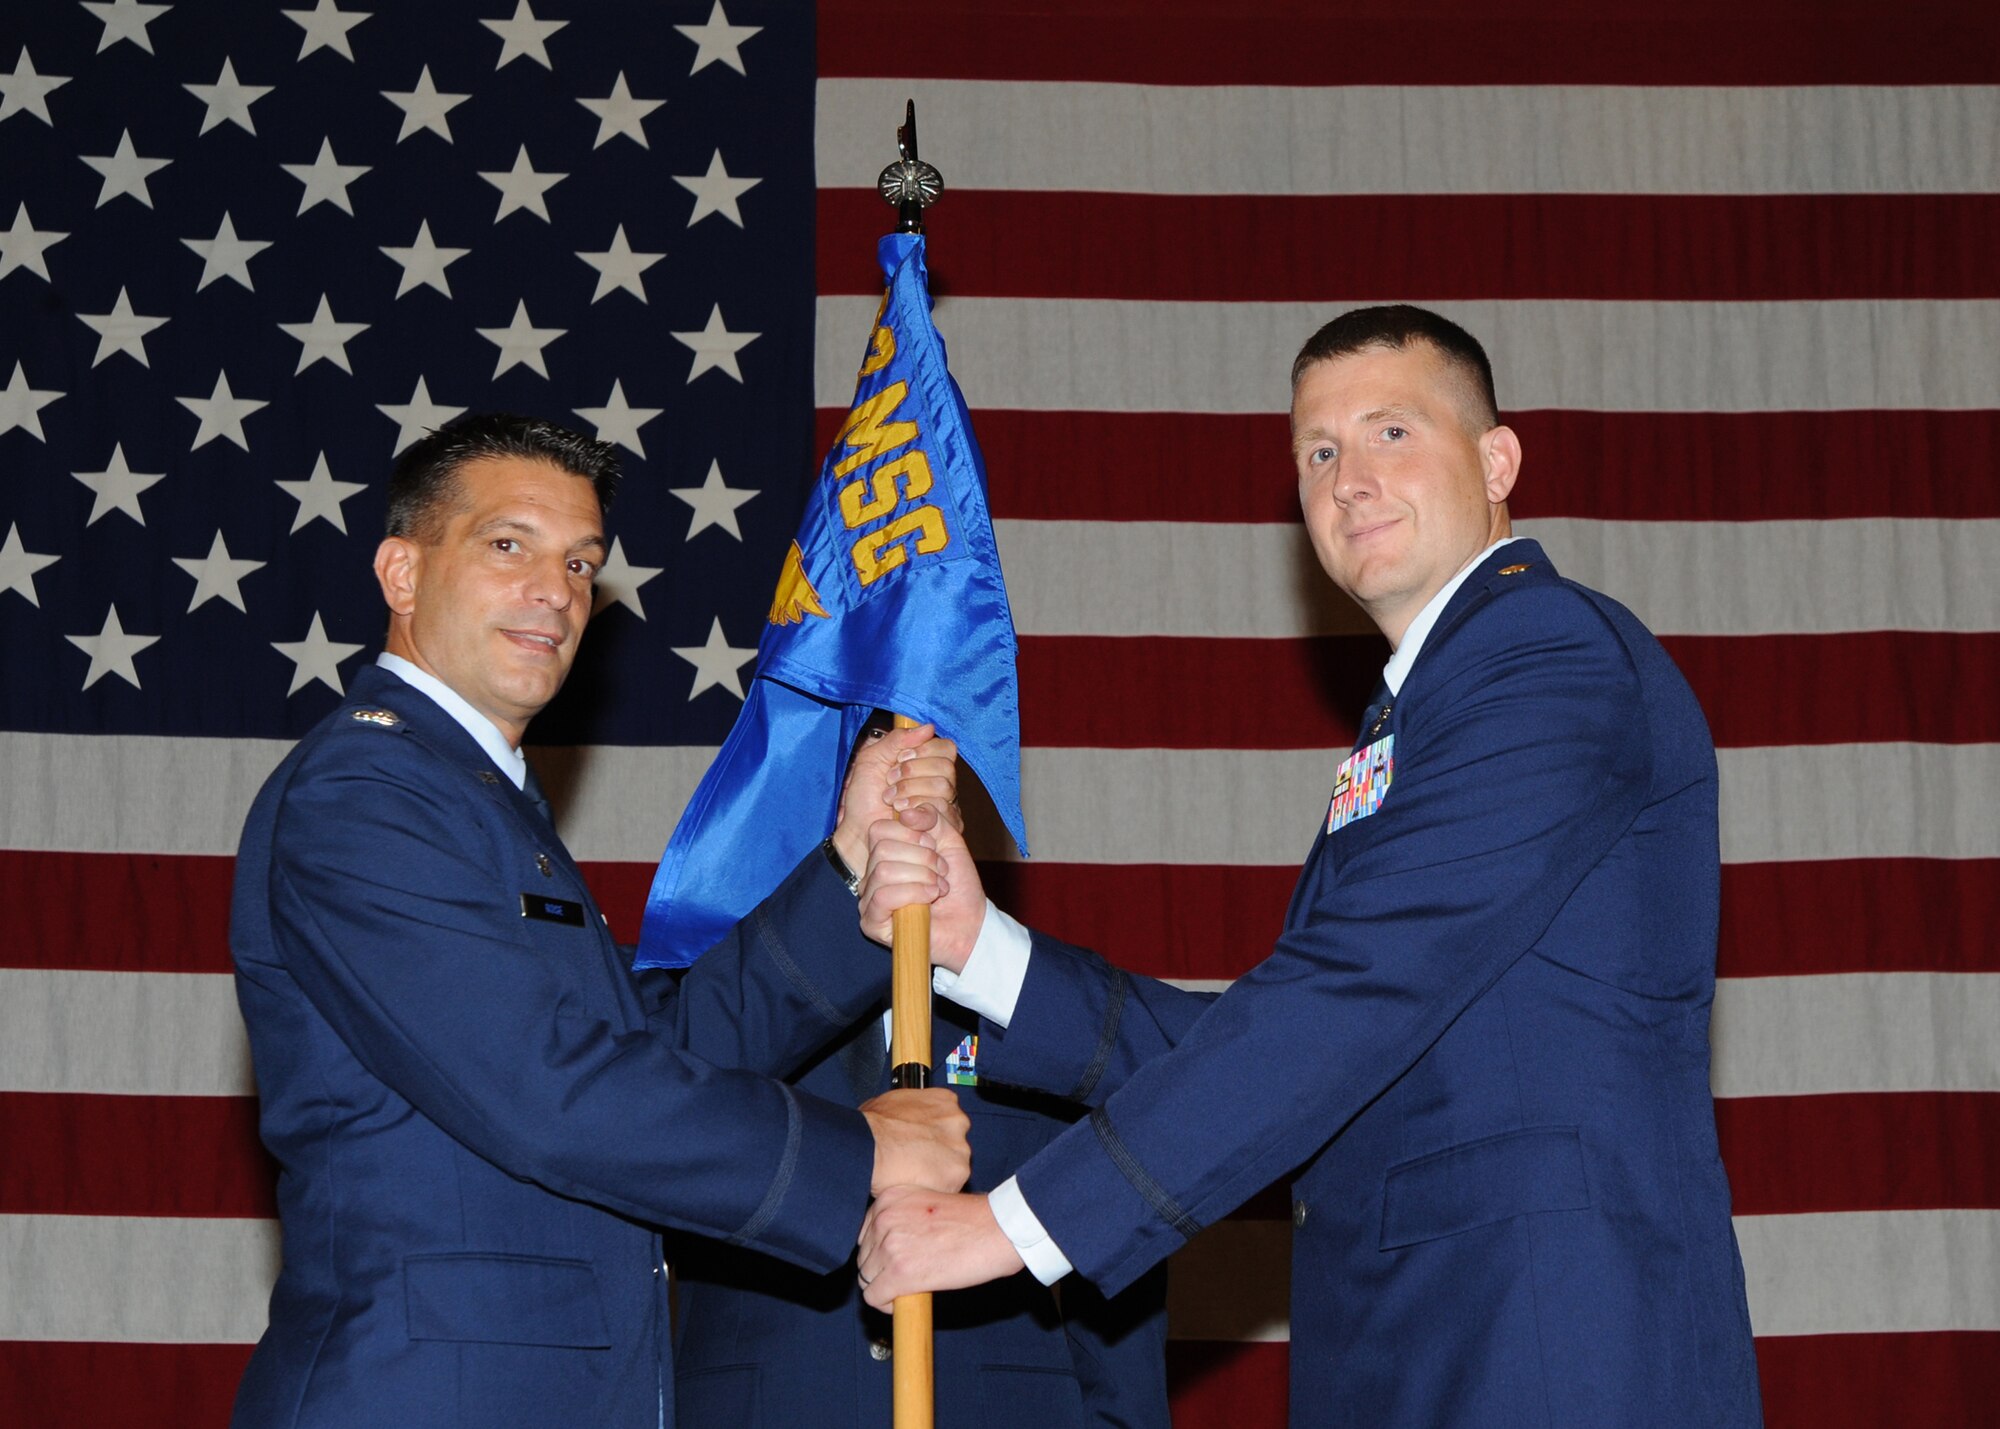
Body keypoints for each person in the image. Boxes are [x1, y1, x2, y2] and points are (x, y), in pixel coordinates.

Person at [853, 307, 1766, 1427]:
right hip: (1417, 1344)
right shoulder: (1418, 714)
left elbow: (1349, 996)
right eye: (1317, 453)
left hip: (1542, 1345)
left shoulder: (1545, 650)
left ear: (1496, 461)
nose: (1348, 480)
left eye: (1391, 433)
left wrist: (1016, 1224)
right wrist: (978, 948)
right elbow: (1314, 1051)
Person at [229, 414, 970, 1429]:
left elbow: (645, 1046)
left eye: (580, 562)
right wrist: (855, 1155)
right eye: (508, 545)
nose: (555, 590)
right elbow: (548, 1090)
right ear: (401, 573)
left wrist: (849, 865)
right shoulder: (368, 788)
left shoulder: (469, 796)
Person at [672, 998, 1170, 1428]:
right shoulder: (711, 1001)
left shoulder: (1031, 996)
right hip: (760, 1407)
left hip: (999, 1409)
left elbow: (1114, 1216)